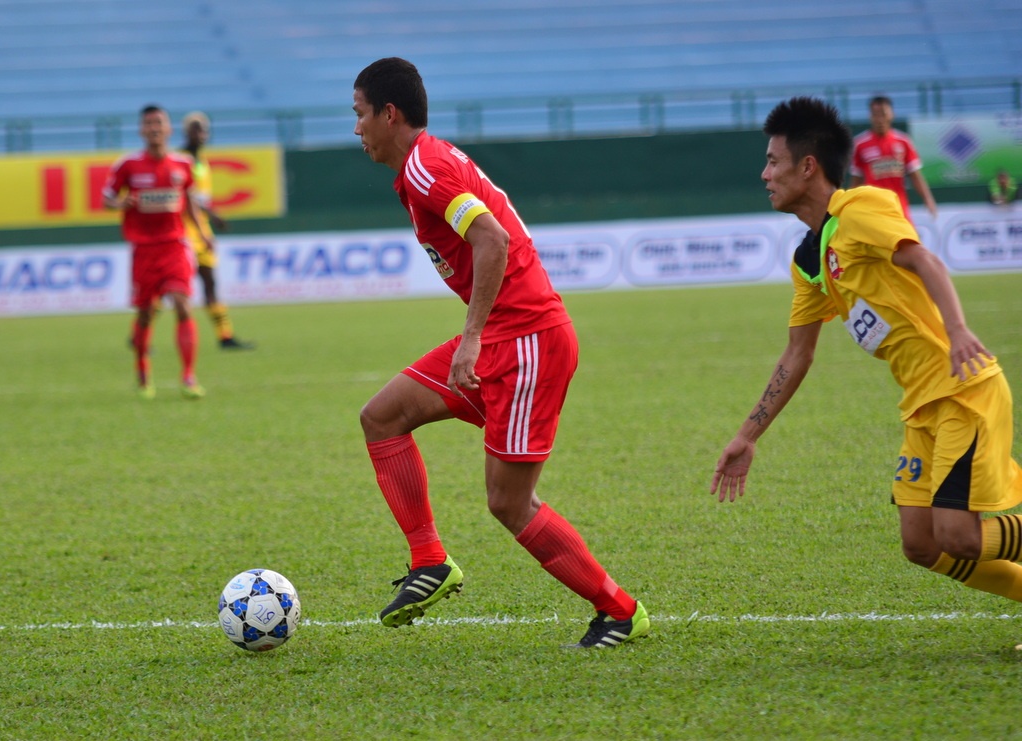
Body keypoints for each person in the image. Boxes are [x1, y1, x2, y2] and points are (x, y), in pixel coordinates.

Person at [352, 57, 649, 648]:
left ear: (390, 114)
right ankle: (430, 561)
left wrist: (471, 337)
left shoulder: (427, 168)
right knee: (381, 417)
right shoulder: (422, 166)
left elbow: (492, 238)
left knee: (508, 503)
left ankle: (619, 611)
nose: (356, 129)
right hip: (506, 339)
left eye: (360, 115)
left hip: (526, 341)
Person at [711, 96, 1022, 613]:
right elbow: (797, 355)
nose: (764, 173)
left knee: (959, 536)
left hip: (963, 387)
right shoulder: (811, 259)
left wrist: (959, 329)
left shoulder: (863, 208)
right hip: (922, 406)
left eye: (772, 161)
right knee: (922, 544)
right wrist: (747, 435)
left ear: (807, 166)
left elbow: (923, 259)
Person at [103, 104, 209, 400]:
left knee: (182, 304)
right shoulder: (128, 166)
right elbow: (107, 198)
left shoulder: (183, 165)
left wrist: (201, 233)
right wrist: (120, 204)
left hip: (174, 244)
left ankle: (188, 377)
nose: (154, 128)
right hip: (144, 249)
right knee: (147, 313)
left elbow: (189, 201)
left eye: (158, 123)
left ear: (168, 129)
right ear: (141, 130)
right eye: (148, 123)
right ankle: (142, 371)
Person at [180, 111, 256, 350]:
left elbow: (198, 197)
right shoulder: (179, 159)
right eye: (196, 129)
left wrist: (208, 218)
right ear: (187, 132)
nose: (201, 134)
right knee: (170, 286)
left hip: (200, 228)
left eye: (204, 130)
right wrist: (213, 215)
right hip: (182, 229)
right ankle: (140, 334)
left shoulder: (201, 161)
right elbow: (185, 196)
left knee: (209, 281)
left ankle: (225, 336)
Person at [850, 95, 938, 221]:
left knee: (909, 240)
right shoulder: (860, 144)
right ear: (870, 116)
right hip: (873, 210)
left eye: (883, 114)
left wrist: (928, 199)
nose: (880, 119)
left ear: (892, 114)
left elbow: (915, 175)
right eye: (875, 114)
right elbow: (856, 180)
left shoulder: (903, 141)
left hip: (899, 209)